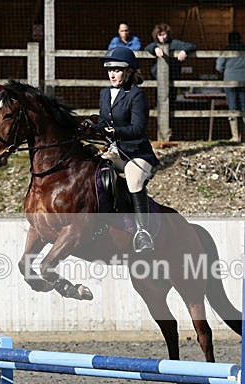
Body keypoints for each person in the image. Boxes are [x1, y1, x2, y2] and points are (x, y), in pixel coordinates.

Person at [96, 47, 160, 253]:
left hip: (137, 154)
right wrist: (92, 128)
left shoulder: (136, 95)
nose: (112, 74)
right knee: (93, 171)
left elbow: (137, 129)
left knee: (133, 180)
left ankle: (143, 233)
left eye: (117, 70)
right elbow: (102, 122)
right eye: (110, 70)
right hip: (116, 152)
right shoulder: (105, 94)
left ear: (129, 72)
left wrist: (114, 132)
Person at [216, 31, 245, 142]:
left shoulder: (226, 50)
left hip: (230, 80)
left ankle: (235, 135)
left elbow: (219, 67)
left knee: (232, 106)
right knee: (244, 106)